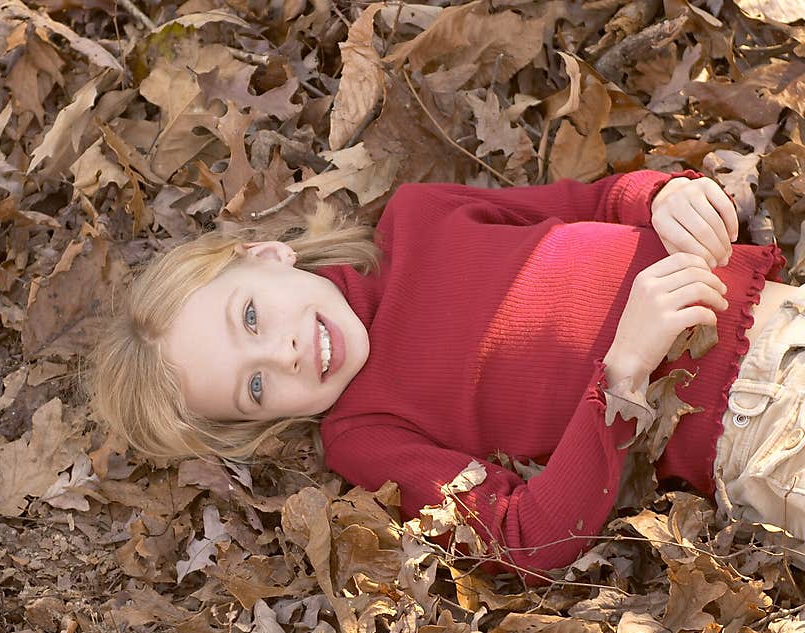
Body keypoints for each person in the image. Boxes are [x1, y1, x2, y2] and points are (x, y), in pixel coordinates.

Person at [86, 167, 803, 583]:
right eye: (255, 387)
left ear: (266, 254)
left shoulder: (420, 214)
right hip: (756, 423)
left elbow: (592, 202)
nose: (285, 354)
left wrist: (660, 198)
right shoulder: (365, 435)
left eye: (249, 318)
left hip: (783, 310)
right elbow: (524, 541)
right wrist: (625, 372)